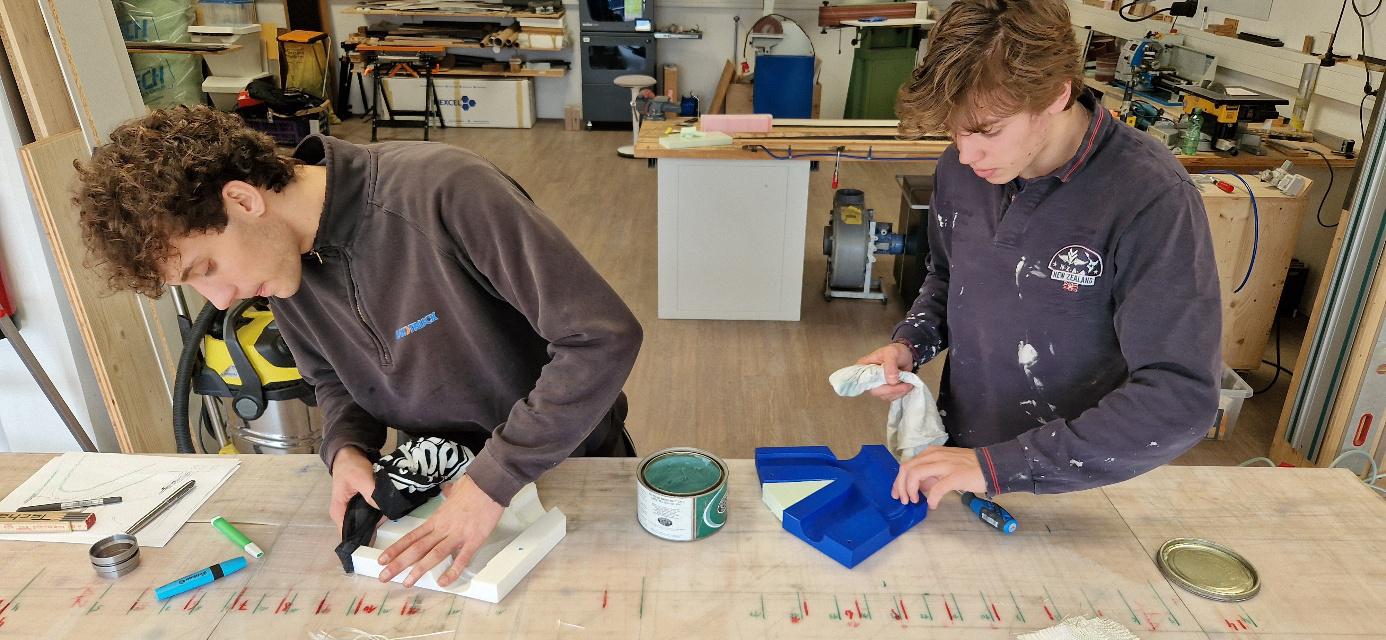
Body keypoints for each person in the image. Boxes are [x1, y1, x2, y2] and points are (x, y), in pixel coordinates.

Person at [74, 106, 643, 588]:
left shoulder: (444, 191)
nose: (221, 300)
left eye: (207, 268)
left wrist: (494, 480)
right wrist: (347, 447)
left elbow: (599, 338)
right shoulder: (282, 265)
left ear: (243, 201)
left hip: (566, 468)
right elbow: (332, 377)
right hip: (440, 481)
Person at [856, 0, 1221, 509]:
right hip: (964, 463)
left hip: (1084, 483)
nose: (966, 154)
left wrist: (1003, 466)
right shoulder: (963, 169)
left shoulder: (1151, 198)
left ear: (1056, 94)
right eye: (954, 130)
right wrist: (910, 345)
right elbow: (948, 276)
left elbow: (1180, 397)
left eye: (988, 130)